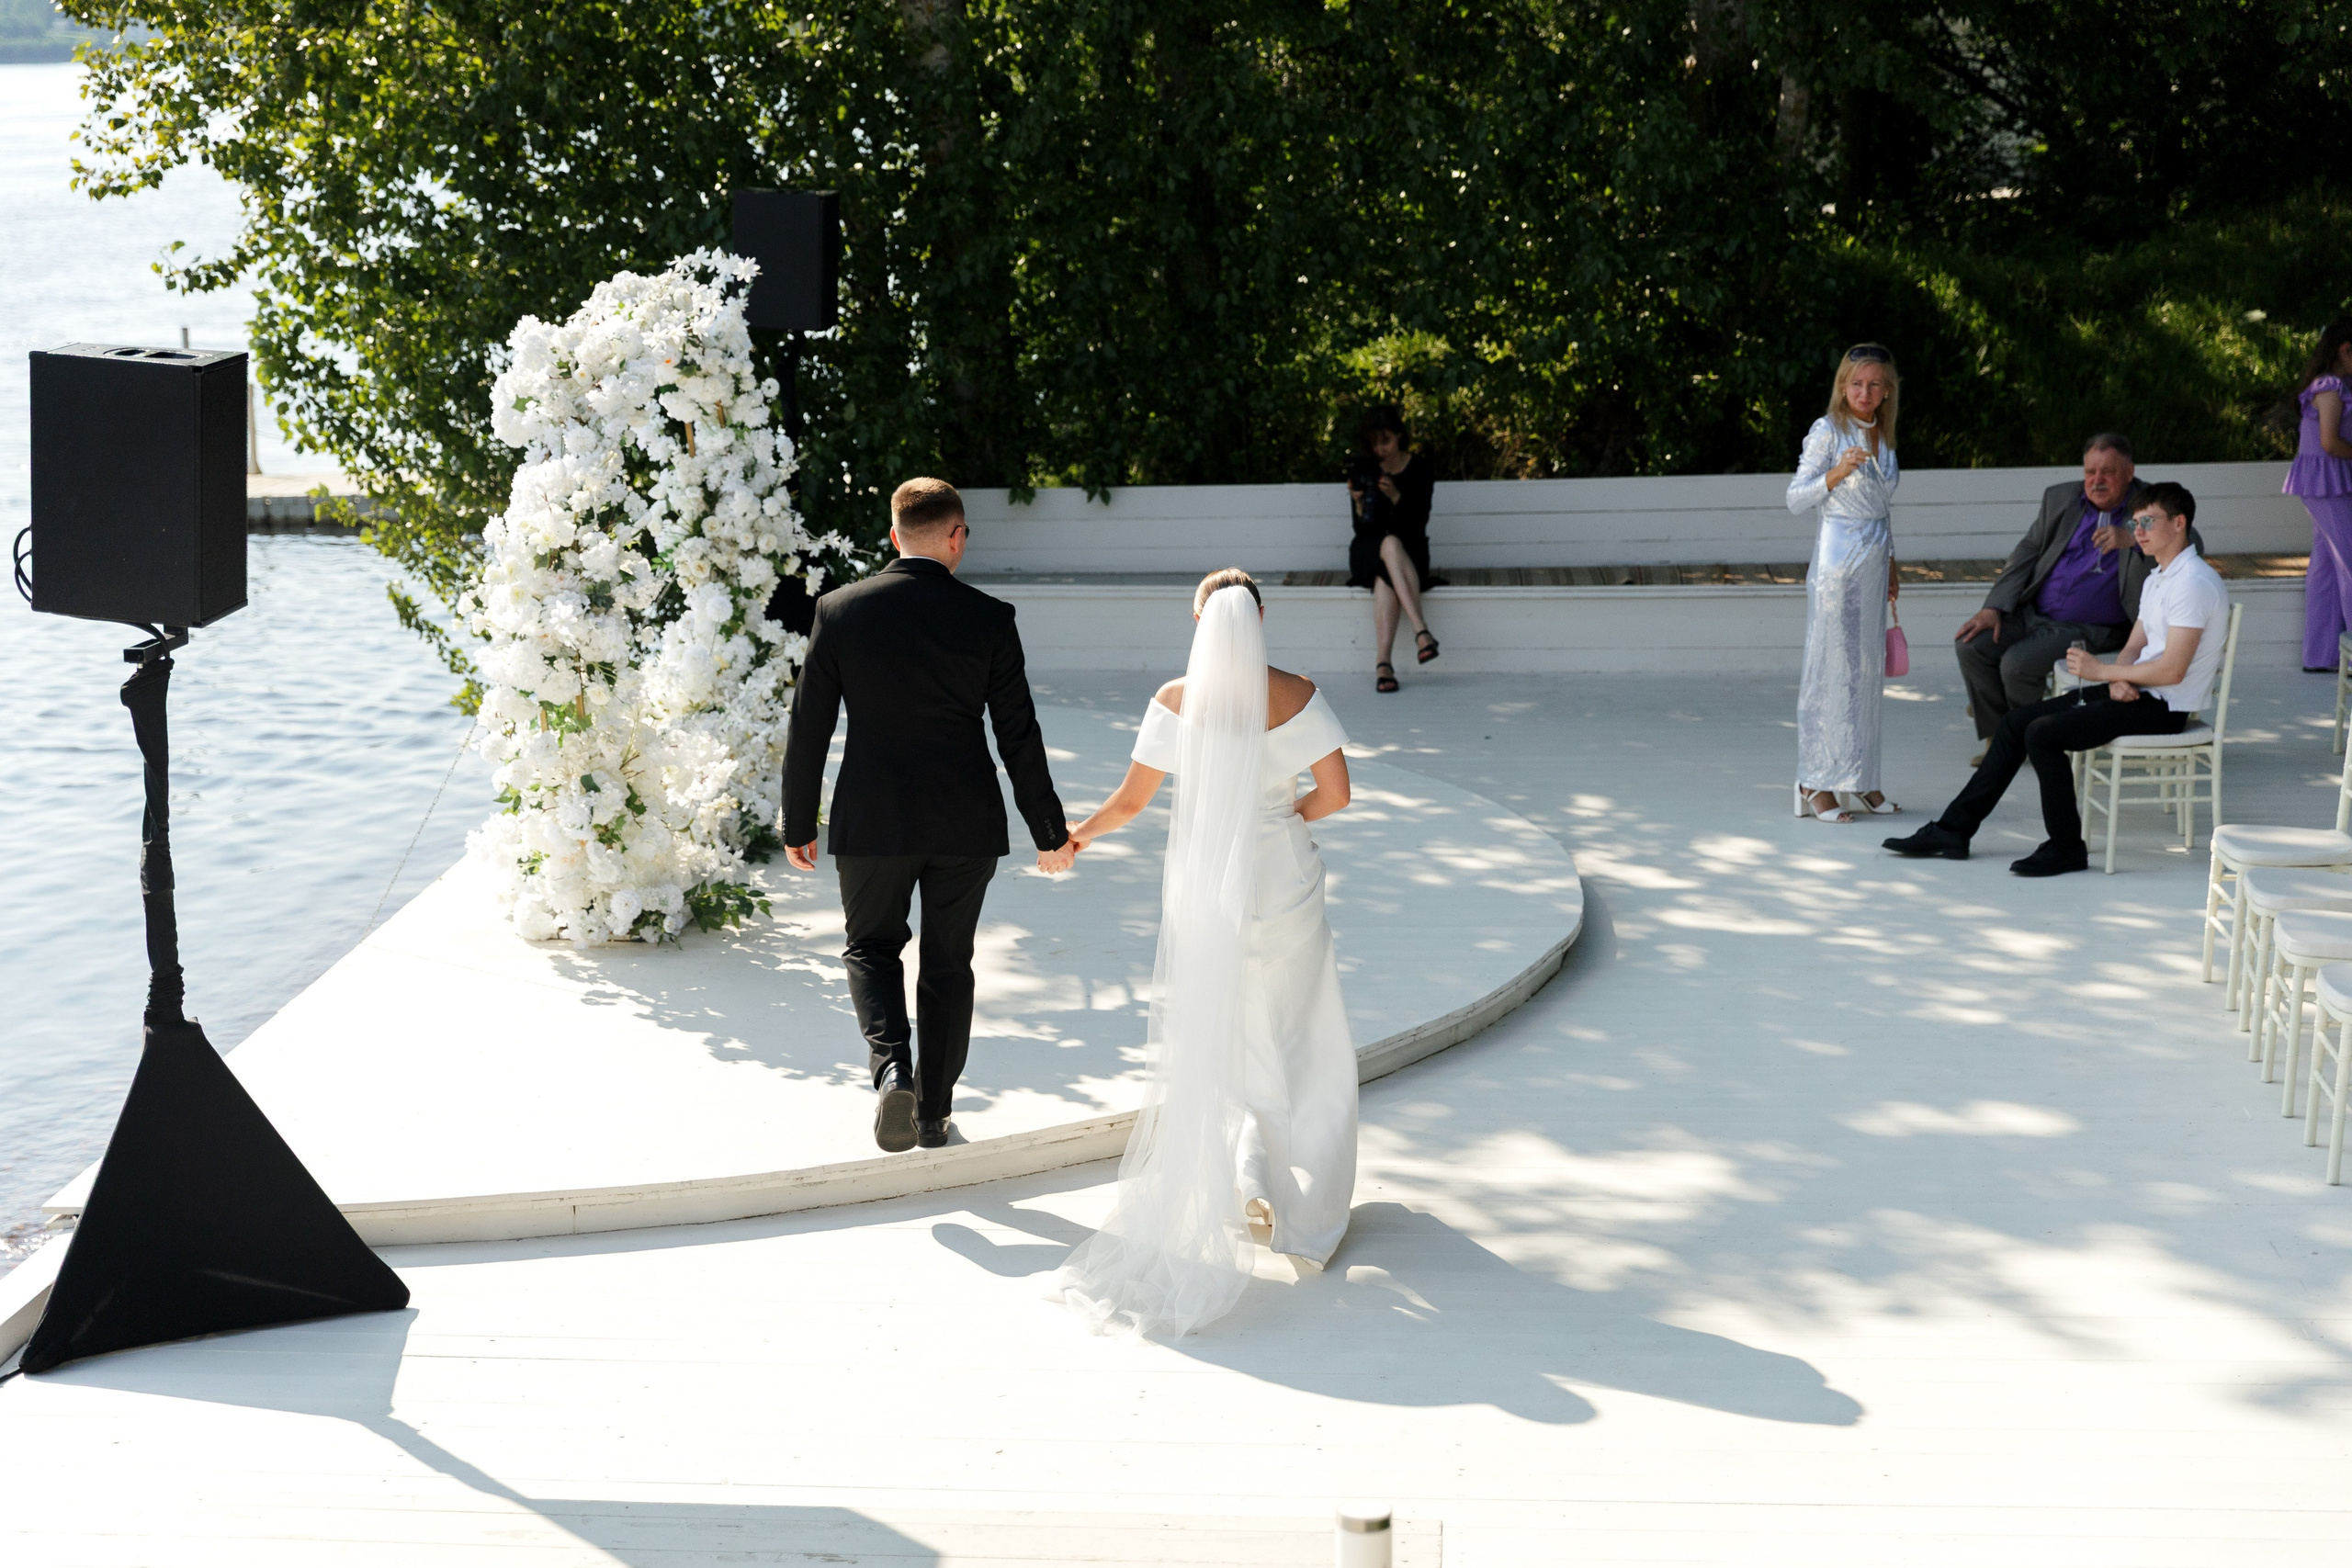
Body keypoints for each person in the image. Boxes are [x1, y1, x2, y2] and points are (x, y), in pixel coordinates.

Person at [1050, 570, 1359, 1337]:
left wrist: (1075, 836)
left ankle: (1237, 1180)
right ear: (1261, 616)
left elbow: (1131, 801)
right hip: (1283, 877)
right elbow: (1337, 794)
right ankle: (1307, 1210)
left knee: (1223, 1032)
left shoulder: (1176, 699)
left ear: (1198, 621)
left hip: (1208, 886)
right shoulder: (1297, 692)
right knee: (1303, 1035)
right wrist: (1285, 815)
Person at [780, 478, 1076, 1155]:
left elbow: (809, 727)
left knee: (871, 948)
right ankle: (935, 1113)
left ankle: (893, 1073)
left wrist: (798, 821)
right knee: (948, 962)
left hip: (871, 818)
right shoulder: (989, 617)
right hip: (964, 821)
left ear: (894, 536)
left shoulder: (839, 610)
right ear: (957, 536)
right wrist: (1049, 832)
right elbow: (1018, 733)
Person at [1884, 481, 2225, 877]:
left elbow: (2173, 670)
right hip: (2137, 691)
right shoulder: (2159, 578)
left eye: (2148, 522)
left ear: (2179, 523)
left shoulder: (2193, 583)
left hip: (2165, 708)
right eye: (2134, 524)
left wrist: (2105, 672)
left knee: (2043, 735)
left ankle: (2066, 848)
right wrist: (2119, 679)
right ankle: (1952, 831)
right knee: (2015, 723)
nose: (2138, 532)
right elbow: (2136, 645)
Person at [1952, 434, 2203, 761]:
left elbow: (2192, 539)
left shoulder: (2146, 505)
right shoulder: (2061, 499)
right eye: (2090, 472)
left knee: (2017, 665)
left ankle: (2012, 742)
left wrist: (2132, 537)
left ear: (2129, 472)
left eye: (2108, 472)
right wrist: (1994, 606)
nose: (2097, 480)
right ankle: (1997, 729)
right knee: (1972, 645)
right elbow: (2027, 552)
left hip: (2092, 628)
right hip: (2034, 612)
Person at [1789, 343, 1902, 823]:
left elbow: (1882, 507)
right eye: (1856, 383)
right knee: (1830, 670)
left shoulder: (1884, 434)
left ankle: (1860, 775)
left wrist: (1892, 562)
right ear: (1842, 386)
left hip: (1874, 562)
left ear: (1887, 390)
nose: (1865, 392)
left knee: (1866, 673)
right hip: (1837, 565)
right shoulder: (1828, 431)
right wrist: (1836, 473)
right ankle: (1813, 779)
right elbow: (1795, 498)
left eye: (1874, 384)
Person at [1345, 406, 1442, 694]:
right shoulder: (1366, 469)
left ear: (1400, 436)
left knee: (1386, 572)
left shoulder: (1419, 469)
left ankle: (1383, 664)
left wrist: (1397, 496)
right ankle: (1421, 631)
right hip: (1369, 549)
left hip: (1410, 550)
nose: (1380, 449)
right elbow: (1362, 528)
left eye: (1385, 441)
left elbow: (1419, 522)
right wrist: (1359, 503)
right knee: (1386, 545)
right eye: (1374, 443)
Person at [2288, 317, 2352, 671]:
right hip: (2326, 482)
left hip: (2330, 481)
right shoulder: (2329, 386)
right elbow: (2329, 442)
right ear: (2345, 350)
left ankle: (2321, 655)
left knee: (2327, 565)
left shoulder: (2338, 384)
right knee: (2349, 561)